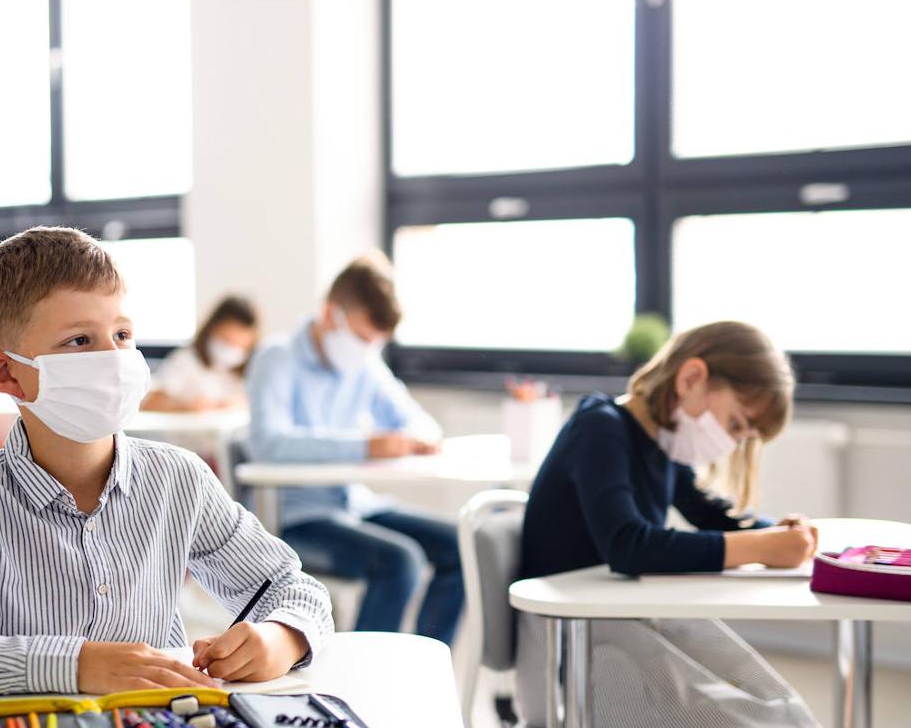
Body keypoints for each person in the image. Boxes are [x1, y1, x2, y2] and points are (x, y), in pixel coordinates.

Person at [0, 226, 332, 701]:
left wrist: (282, 637)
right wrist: (72, 665)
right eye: (79, 341)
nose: (113, 359)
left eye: (121, 334)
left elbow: (293, 587)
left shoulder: (179, 480)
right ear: (7, 374)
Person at [515, 321, 820, 727]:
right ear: (692, 377)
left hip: (620, 619)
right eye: (735, 424)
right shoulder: (600, 428)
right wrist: (763, 547)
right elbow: (628, 545)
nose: (731, 444)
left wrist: (779, 535)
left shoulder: (662, 444)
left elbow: (713, 517)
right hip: (571, 638)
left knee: (784, 710)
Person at [244, 253, 463, 645]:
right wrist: (365, 445)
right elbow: (268, 442)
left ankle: (423, 667)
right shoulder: (277, 359)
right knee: (400, 562)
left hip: (356, 505)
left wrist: (416, 438)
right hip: (296, 520)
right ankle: (363, 684)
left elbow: (418, 420)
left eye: (376, 343)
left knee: (461, 543)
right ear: (331, 314)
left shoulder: (365, 366)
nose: (367, 349)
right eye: (362, 338)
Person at [143, 295, 258, 413]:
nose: (232, 350)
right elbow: (151, 402)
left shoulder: (250, 371)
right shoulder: (185, 360)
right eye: (226, 340)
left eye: (240, 346)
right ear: (212, 329)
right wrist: (186, 407)